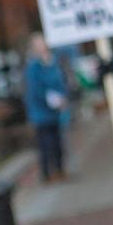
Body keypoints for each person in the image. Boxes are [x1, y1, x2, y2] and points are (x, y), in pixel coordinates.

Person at [23, 33, 69, 183]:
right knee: (45, 144)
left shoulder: (54, 61)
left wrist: (62, 98)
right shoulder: (33, 67)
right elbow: (35, 89)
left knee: (57, 142)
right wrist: (52, 99)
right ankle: (47, 174)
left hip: (55, 112)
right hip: (41, 113)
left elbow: (62, 81)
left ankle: (59, 170)